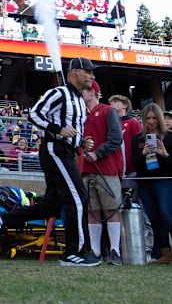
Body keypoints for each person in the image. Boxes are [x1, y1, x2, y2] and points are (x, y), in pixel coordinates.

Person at [0, 57, 100, 266]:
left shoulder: (78, 100)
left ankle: (6, 218)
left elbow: (72, 128)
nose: (92, 76)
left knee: (52, 205)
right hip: (55, 150)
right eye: (88, 71)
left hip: (68, 151)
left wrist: (81, 142)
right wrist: (57, 129)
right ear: (75, 72)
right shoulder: (59, 93)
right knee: (78, 198)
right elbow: (33, 115)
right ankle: (74, 251)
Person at [78, 80, 123, 264]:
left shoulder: (108, 111)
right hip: (86, 169)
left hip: (107, 169)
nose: (81, 93)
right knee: (92, 210)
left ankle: (115, 250)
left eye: (84, 90)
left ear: (93, 92)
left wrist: (97, 153)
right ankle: (96, 251)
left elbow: (116, 139)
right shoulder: (80, 115)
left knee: (111, 209)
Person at [131, 103, 172, 264]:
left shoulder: (169, 137)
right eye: (148, 118)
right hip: (145, 181)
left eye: (154, 118)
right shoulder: (138, 139)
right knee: (153, 216)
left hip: (164, 180)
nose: (151, 122)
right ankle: (164, 252)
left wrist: (164, 154)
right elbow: (135, 162)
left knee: (165, 213)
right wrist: (143, 153)